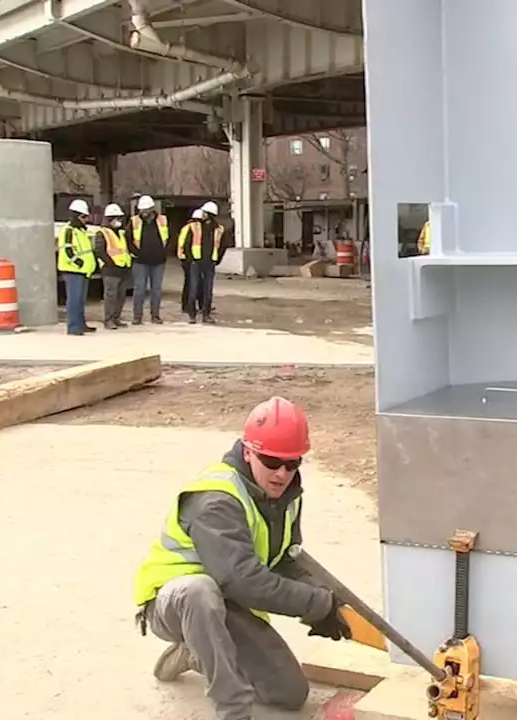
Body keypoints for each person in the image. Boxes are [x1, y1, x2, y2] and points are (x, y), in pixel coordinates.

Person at [133, 397, 349, 720]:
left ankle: (197, 653)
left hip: (226, 603)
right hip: (172, 603)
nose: (282, 474)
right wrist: (316, 604)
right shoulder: (216, 500)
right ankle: (233, 710)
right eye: (271, 461)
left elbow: (284, 560)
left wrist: (332, 601)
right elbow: (242, 581)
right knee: (199, 592)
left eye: (292, 464)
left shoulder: (285, 497)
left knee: (289, 694)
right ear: (248, 451)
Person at [57, 199, 97, 336]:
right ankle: (74, 327)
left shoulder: (80, 231)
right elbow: (68, 251)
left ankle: (81, 324)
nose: (86, 220)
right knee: (74, 299)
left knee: (80, 299)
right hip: (73, 270)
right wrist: (79, 263)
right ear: (75, 216)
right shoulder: (69, 231)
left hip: (83, 270)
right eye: (83, 217)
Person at [129, 194, 170, 325]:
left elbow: (169, 238)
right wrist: (135, 253)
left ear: (152, 209)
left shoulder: (162, 220)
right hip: (140, 261)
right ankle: (137, 316)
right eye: (142, 210)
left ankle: (155, 316)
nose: (143, 212)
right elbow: (128, 239)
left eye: (146, 210)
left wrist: (164, 252)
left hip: (158, 261)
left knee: (156, 290)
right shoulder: (134, 221)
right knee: (139, 289)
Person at [185, 200, 226, 324]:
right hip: (196, 262)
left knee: (208, 291)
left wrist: (217, 259)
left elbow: (222, 246)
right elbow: (188, 244)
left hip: (209, 263)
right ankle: (192, 315)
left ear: (209, 214)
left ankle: (206, 315)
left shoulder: (219, 229)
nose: (202, 214)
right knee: (193, 289)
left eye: (204, 212)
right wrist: (190, 259)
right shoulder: (194, 226)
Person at [95, 203, 133, 330]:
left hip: (122, 268)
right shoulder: (102, 233)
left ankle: (116, 318)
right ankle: (109, 320)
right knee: (110, 296)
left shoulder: (121, 233)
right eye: (117, 218)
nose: (120, 221)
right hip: (110, 270)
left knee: (121, 296)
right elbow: (100, 251)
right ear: (110, 218)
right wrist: (110, 263)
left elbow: (124, 250)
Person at [178, 208, 205, 317]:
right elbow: (187, 245)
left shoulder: (187, 228)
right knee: (193, 283)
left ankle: (189, 306)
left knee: (191, 283)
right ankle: (191, 306)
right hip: (190, 260)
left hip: (187, 259)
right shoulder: (193, 228)